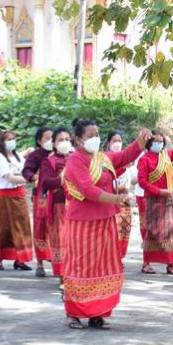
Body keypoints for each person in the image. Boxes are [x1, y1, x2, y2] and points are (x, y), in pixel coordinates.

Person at [62, 118, 151, 330]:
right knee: (81, 266)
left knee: (104, 266)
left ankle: (97, 312)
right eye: (90, 135)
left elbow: (124, 157)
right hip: (83, 223)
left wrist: (141, 141)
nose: (95, 138)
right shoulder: (75, 161)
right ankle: (73, 312)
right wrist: (114, 198)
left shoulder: (102, 158)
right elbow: (87, 190)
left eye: (97, 134)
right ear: (77, 140)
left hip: (105, 220)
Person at [137, 130, 173, 274]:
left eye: (161, 141)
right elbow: (142, 181)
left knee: (170, 231)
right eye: (155, 141)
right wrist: (159, 191)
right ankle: (146, 263)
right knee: (152, 231)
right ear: (149, 143)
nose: (159, 144)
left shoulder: (166, 155)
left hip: (168, 199)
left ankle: (171, 264)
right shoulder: (144, 159)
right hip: (153, 199)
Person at [0, 131, 33, 271]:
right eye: (8, 139)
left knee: (22, 225)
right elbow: (9, 177)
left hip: (19, 193)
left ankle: (20, 259)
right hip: (5, 194)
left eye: (13, 139)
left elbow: (26, 169)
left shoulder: (17, 157)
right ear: (1, 142)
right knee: (4, 226)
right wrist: (29, 180)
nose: (11, 142)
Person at [38, 128, 72, 290]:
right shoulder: (49, 161)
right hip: (58, 206)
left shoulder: (76, 158)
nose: (64, 142)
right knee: (60, 240)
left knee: (75, 240)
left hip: (77, 206)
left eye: (67, 138)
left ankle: (75, 274)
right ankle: (62, 276)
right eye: (60, 139)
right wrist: (63, 177)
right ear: (53, 143)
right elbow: (47, 182)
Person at [23, 127, 54, 277]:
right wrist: (36, 178)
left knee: (57, 227)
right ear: (39, 140)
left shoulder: (61, 154)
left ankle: (58, 260)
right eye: (46, 138)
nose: (50, 141)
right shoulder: (35, 156)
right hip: (41, 197)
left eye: (52, 138)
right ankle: (40, 262)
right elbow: (27, 171)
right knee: (40, 226)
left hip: (58, 197)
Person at [105, 131, 135, 259]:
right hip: (112, 201)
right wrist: (119, 188)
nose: (117, 143)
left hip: (126, 202)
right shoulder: (105, 159)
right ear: (108, 143)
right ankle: (112, 257)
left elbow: (133, 179)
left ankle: (120, 257)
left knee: (125, 231)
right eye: (114, 141)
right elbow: (104, 181)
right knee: (114, 231)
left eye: (119, 141)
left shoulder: (126, 159)